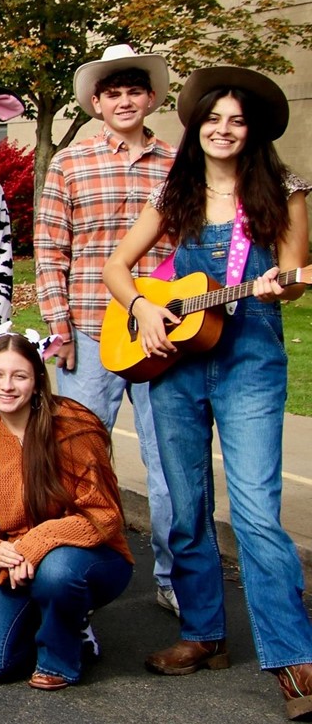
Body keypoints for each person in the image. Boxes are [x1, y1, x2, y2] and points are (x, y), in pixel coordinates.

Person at [104, 66, 312, 720]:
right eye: (213, 118)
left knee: (253, 512)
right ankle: (203, 634)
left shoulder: (284, 192)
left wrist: (287, 284)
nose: (223, 129)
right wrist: (140, 306)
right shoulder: (178, 192)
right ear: (198, 128)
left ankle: (293, 655)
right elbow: (117, 264)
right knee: (187, 508)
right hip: (175, 363)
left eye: (237, 120)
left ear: (253, 132)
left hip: (251, 360)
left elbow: (295, 275)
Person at [34, 44, 179, 617]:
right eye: (113, 93)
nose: (124, 101)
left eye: (134, 91)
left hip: (164, 335)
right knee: (77, 458)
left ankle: (173, 575)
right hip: (92, 330)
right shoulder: (71, 163)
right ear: (96, 103)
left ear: (149, 99)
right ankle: (77, 572)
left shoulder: (178, 164)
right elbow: (50, 249)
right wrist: (58, 327)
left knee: (169, 461)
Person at [0, 333, 133, 690]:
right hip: (12, 560)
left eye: (19, 376)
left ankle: (62, 657)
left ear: (37, 381)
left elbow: (105, 514)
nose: (7, 386)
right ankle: (50, 620)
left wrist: (34, 543)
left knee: (57, 572)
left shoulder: (71, 427)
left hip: (85, 558)